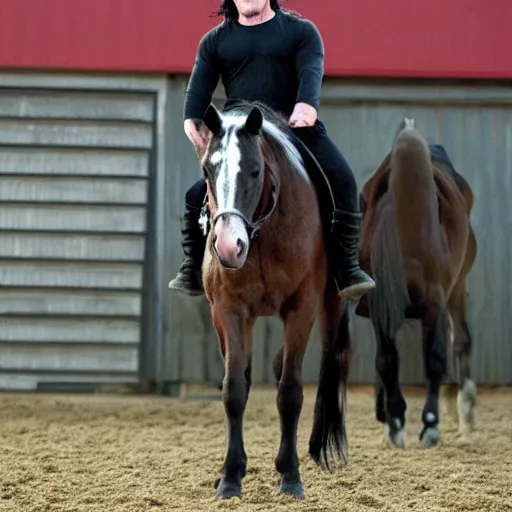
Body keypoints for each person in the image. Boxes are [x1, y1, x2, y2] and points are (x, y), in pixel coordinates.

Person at [168, 0, 375, 301]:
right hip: (240, 135)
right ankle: (192, 268)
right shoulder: (214, 42)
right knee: (193, 196)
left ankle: (346, 267)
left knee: (342, 179)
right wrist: (205, 144)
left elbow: (310, 77)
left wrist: (306, 106)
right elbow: (194, 111)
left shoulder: (301, 32)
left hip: (294, 128)